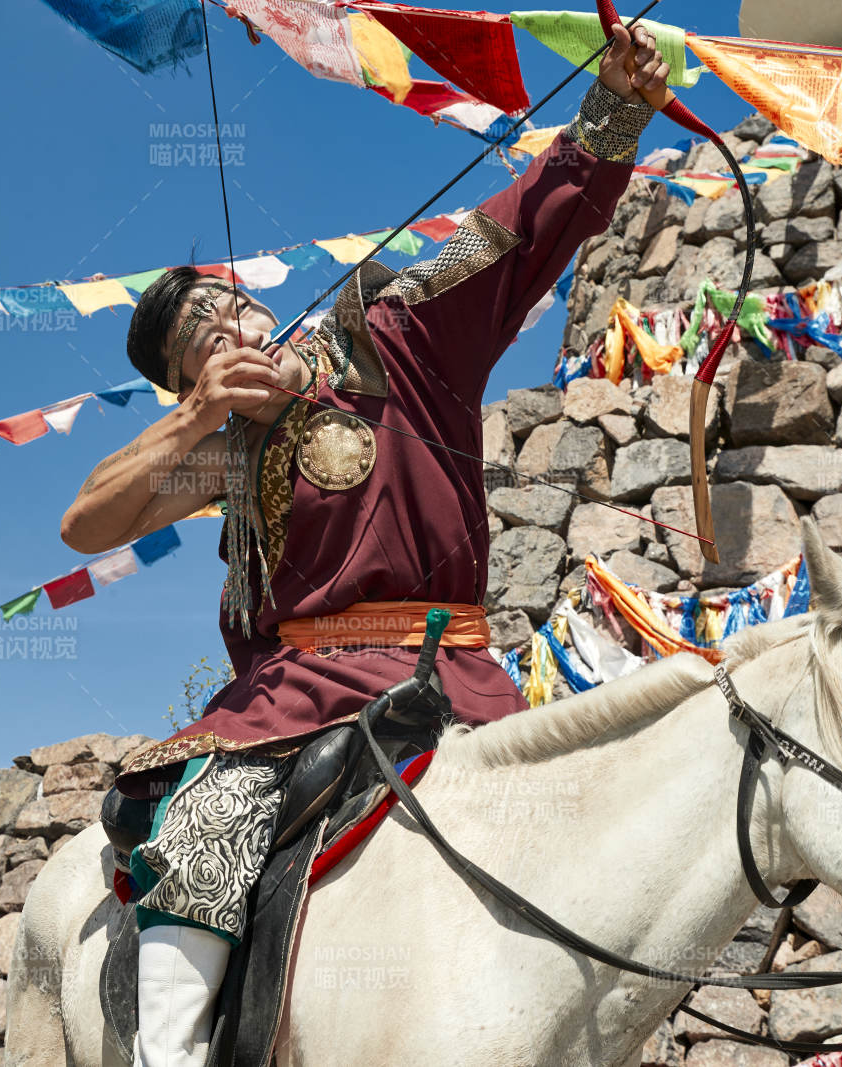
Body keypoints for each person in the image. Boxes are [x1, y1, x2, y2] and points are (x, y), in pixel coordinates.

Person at [58, 23, 672, 1067]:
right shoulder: (224, 454)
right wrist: (198, 417)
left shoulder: (394, 339)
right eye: (199, 344)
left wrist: (612, 109)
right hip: (287, 702)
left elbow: (513, 231)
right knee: (202, 832)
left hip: (456, 674)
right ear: (187, 380)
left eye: (228, 309)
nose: (227, 330)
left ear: (262, 303)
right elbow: (86, 520)